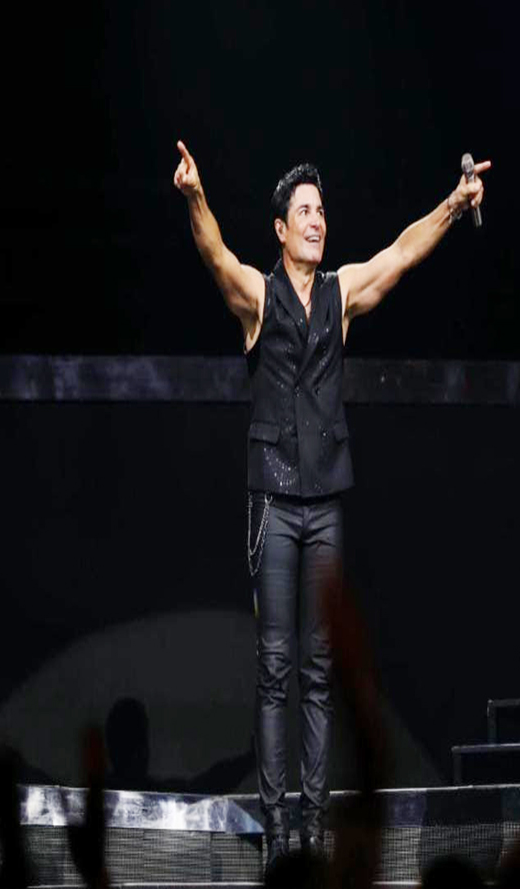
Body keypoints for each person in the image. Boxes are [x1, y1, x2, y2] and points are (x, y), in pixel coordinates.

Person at [173, 141, 489, 869]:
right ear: (281, 229)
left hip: (324, 504)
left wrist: (454, 202)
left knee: (318, 668)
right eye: (305, 211)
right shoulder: (259, 297)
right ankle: (276, 828)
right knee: (275, 666)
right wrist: (195, 197)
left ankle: (313, 825)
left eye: (322, 210)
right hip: (273, 501)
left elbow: (401, 254)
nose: (318, 220)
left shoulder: (341, 295)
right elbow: (215, 256)